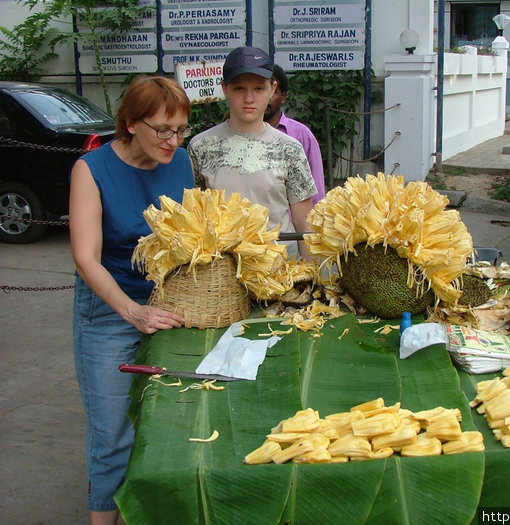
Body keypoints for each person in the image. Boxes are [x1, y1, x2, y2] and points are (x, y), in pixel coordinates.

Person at [69, 76, 193, 524]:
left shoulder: (180, 162)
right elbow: (87, 258)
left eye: (180, 129)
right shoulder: (92, 169)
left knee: (169, 423)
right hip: (109, 311)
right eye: (162, 129)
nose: (173, 141)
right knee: (113, 434)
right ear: (130, 122)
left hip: (169, 303)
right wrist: (132, 311)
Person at [188, 46, 316, 259]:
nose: (249, 98)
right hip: (222, 274)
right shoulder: (201, 147)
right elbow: (192, 219)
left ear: (273, 88)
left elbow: (305, 226)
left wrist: (313, 282)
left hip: (280, 272)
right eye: (239, 88)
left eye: (258, 88)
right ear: (224, 89)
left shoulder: (289, 149)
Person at [264, 64, 325, 205]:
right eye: (260, 90)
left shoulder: (301, 135)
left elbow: (316, 192)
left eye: (273, 92)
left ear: (283, 96)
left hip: (291, 225)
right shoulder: (237, 135)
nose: (266, 98)